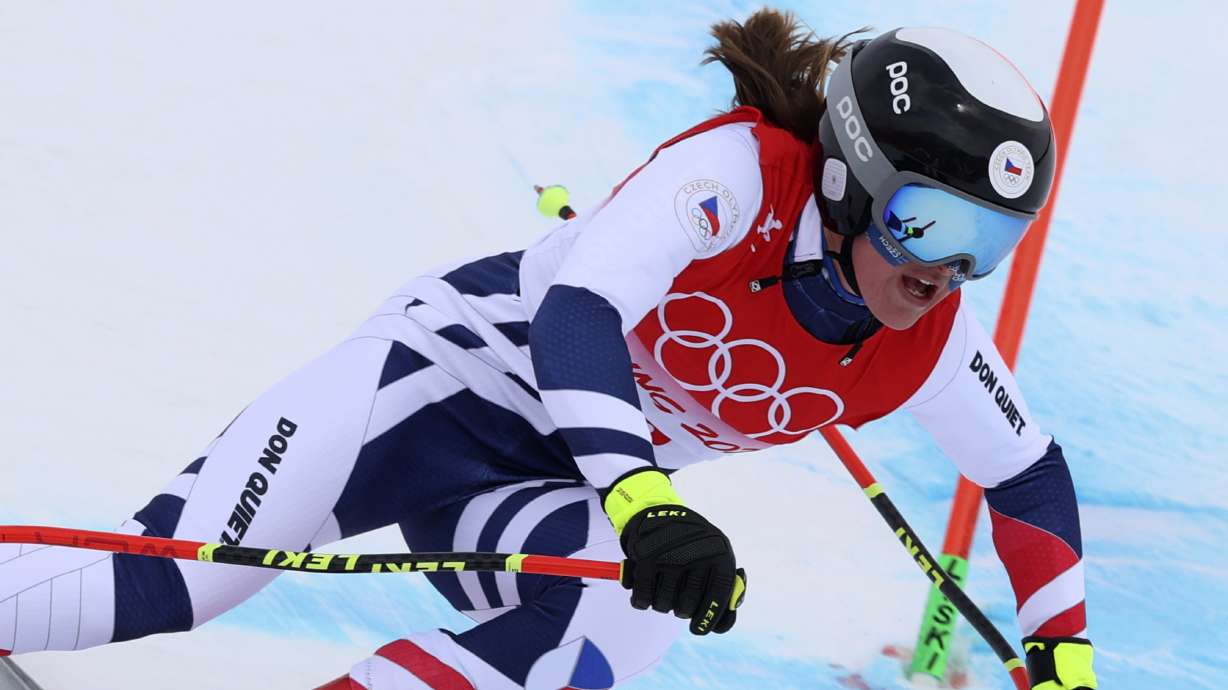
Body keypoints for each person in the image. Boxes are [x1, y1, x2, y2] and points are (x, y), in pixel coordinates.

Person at [0, 9, 1097, 690]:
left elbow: (1028, 474)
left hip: (547, 491)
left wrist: (1064, 657)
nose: (943, 274)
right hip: (435, 389)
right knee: (166, 588)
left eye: (986, 244)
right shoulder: (735, 177)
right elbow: (576, 311)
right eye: (928, 226)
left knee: (611, 630)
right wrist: (645, 501)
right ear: (851, 176)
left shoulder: (928, 341)